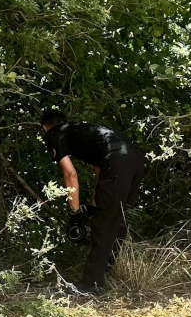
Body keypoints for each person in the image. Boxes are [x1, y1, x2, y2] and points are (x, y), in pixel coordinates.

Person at [40, 110, 145, 292]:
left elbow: (70, 173)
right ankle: (104, 273)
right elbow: (100, 169)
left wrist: (75, 212)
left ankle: (90, 285)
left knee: (104, 223)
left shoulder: (54, 134)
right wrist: (96, 202)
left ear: (45, 127)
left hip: (117, 161)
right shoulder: (82, 130)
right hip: (135, 158)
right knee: (116, 218)